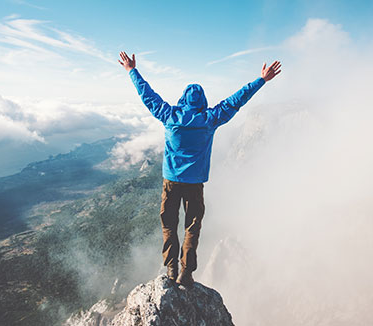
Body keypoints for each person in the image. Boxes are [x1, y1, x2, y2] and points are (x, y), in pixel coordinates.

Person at [119, 51, 281, 285]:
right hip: (195, 184)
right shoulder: (210, 118)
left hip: (171, 181)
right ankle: (187, 271)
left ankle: (171, 268)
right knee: (192, 228)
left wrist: (131, 70)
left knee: (169, 225)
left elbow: (148, 96)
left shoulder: (170, 115)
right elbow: (237, 100)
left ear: (183, 99)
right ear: (202, 100)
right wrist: (261, 80)